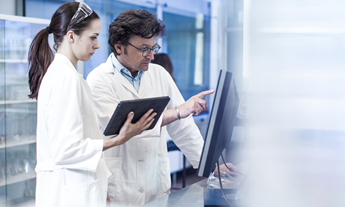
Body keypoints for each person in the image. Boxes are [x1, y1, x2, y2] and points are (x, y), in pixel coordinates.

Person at [86, 10, 236, 206]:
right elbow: (123, 126)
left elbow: (182, 127)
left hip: (155, 182)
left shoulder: (159, 74)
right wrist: (178, 112)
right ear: (119, 47)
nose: (151, 55)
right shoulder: (99, 80)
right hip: (119, 187)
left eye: (153, 47)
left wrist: (209, 165)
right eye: (143, 49)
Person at [28, 3, 156, 207]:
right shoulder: (65, 79)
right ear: (71, 36)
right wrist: (120, 139)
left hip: (74, 188)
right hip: (69, 194)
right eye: (93, 37)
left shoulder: (67, 75)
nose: (97, 45)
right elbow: (66, 150)